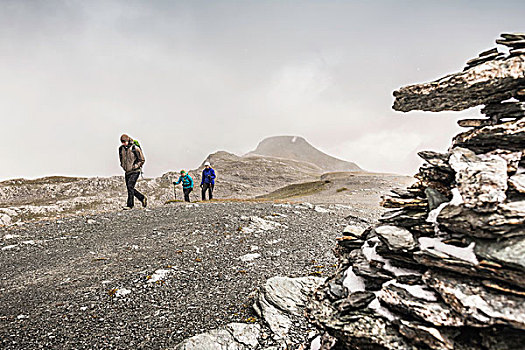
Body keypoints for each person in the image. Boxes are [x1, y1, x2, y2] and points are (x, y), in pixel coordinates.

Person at [119, 134, 147, 210]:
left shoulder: (135, 148)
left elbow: (142, 160)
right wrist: (123, 166)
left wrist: (134, 166)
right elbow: (121, 159)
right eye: (122, 142)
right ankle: (142, 198)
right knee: (129, 188)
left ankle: (130, 205)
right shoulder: (121, 149)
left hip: (135, 171)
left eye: (125, 142)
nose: (124, 143)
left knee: (130, 186)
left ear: (128, 140)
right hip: (127, 171)